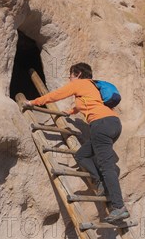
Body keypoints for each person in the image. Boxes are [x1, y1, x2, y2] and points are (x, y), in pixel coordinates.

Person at [22, 63, 129, 223]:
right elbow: (86, 103)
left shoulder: (79, 84)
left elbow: (56, 95)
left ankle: (119, 207)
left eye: (71, 75)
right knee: (81, 155)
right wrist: (71, 111)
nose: (69, 78)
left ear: (78, 74)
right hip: (111, 123)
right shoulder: (92, 86)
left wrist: (33, 102)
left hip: (101, 125)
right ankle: (99, 182)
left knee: (106, 167)